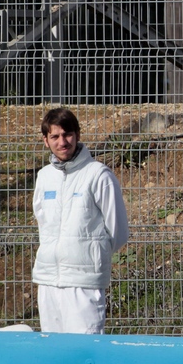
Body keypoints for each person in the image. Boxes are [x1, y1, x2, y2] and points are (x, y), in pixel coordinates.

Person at [32, 107, 129, 333]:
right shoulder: (44, 176)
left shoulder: (98, 175)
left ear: (77, 135)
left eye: (67, 134)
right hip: (48, 282)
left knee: (85, 354)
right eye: (54, 136)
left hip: (84, 284)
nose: (62, 142)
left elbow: (118, 232)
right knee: (54, 354)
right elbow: (43, 224)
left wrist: (91, 254)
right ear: (46, 141)